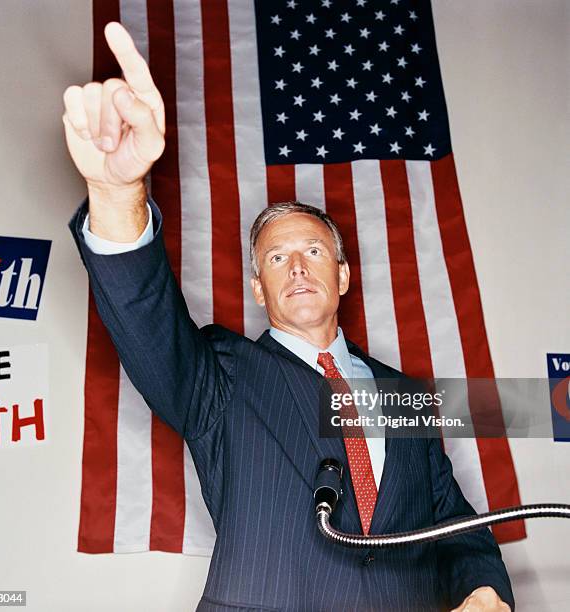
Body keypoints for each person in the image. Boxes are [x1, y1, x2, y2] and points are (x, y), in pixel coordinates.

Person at [63, 22, 514, 612]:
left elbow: (452, 519)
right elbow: (148, 322)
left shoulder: (406, 396)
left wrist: (481, 590)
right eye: (277, 258)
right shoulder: (222, 373)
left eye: (313, 251)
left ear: (344, 276)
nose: (297, 267)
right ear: (258, 287)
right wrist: (118, 195)